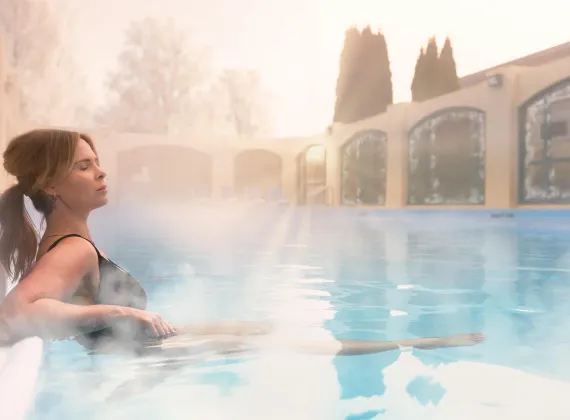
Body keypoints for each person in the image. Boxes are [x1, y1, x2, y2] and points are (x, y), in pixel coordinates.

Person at [0, 129, 485, 357]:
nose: (101, 170)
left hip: (152, 351)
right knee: (302, 345)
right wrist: (120, 312)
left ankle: (416, 342)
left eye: (97, 160)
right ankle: (419, 342)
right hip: (148, 362)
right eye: (84, 166)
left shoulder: (70, 242)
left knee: (258, 328)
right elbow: (13, 315)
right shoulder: (72, 250)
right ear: (51, 187)